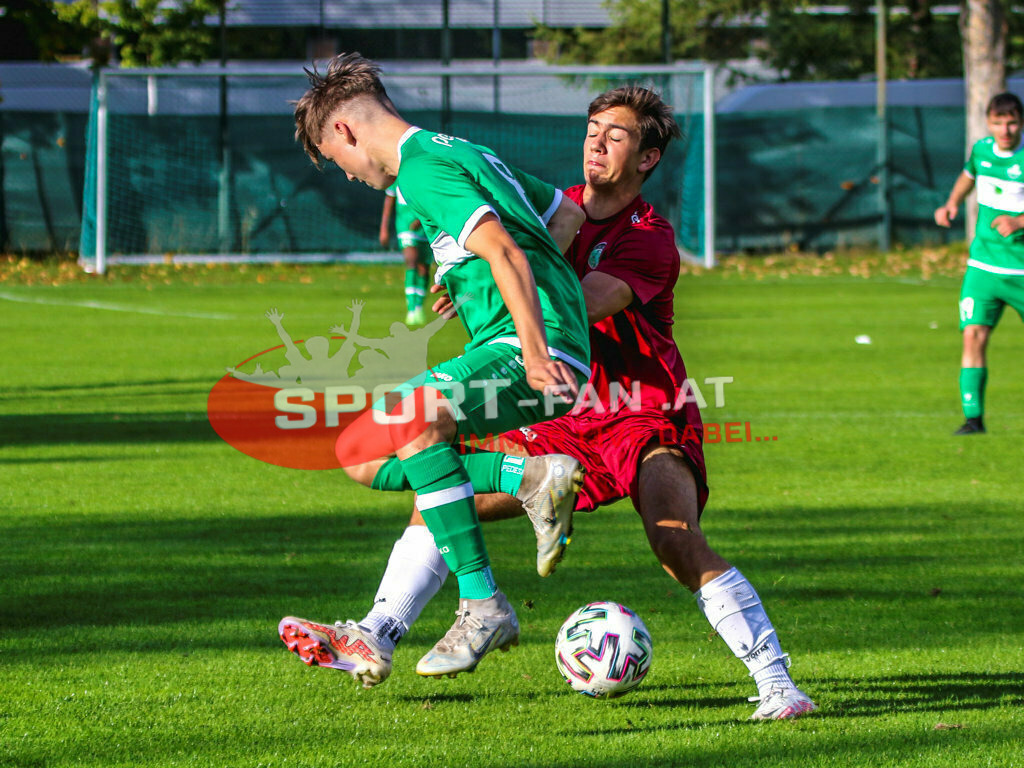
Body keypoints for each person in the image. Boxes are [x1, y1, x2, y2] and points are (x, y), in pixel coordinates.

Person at [298, 84, 817, 721]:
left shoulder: (647, 236)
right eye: (593, 129)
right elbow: (529, 242)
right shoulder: (559, 205)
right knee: (438, 482)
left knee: (674, 541)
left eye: (616, 135)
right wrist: (466, 276)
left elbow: (582, 299)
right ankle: (379, 632)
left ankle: (777, 684)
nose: (596, 143)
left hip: (642, 411)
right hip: (563, 415)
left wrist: (491, 271)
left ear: (647, 159)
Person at [278, 52, 592, 683]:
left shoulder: (420, 171)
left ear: (344, 131)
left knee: (415, 417)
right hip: (526, 334)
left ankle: (483, 604)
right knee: (361, 452)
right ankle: (523, 477)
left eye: (335, 160)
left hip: (536, 348)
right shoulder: (466, 152)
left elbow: (505, 247)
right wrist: (483, 282)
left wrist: (532, 348)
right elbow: (566, 215)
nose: (348, 176)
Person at [935, 91, 1024, 435]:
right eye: (998, 122)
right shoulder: (982, 151)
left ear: (1021, 123)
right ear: (988, 122)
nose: (1005, 129)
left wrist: (1018, 221)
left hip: (1020, 270)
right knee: (973, 335)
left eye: (1012, 121)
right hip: (984, 267)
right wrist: (952, 202)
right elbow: (968, 175)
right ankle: (974, 419)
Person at [380, 182, 432, 325]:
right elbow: (388, 201)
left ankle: (419, 307)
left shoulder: (423, 174)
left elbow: (432, 200)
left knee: (424, 267)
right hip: (405, 226)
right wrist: (384, 228)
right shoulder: (395, 177)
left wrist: (422, 219)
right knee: (412, 260)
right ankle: (411, 309)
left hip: (425, 227)